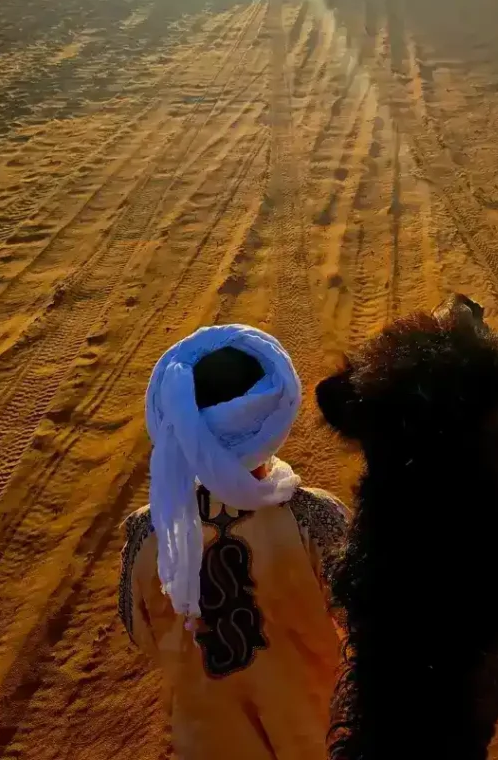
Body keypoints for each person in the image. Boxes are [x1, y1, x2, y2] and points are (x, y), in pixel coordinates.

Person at [118, 325, 349, 760]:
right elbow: (360, 623)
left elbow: (141, 633)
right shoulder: (316, 517)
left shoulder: (147, 534)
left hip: (206, 742)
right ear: (270, 422)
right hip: (316, 738)